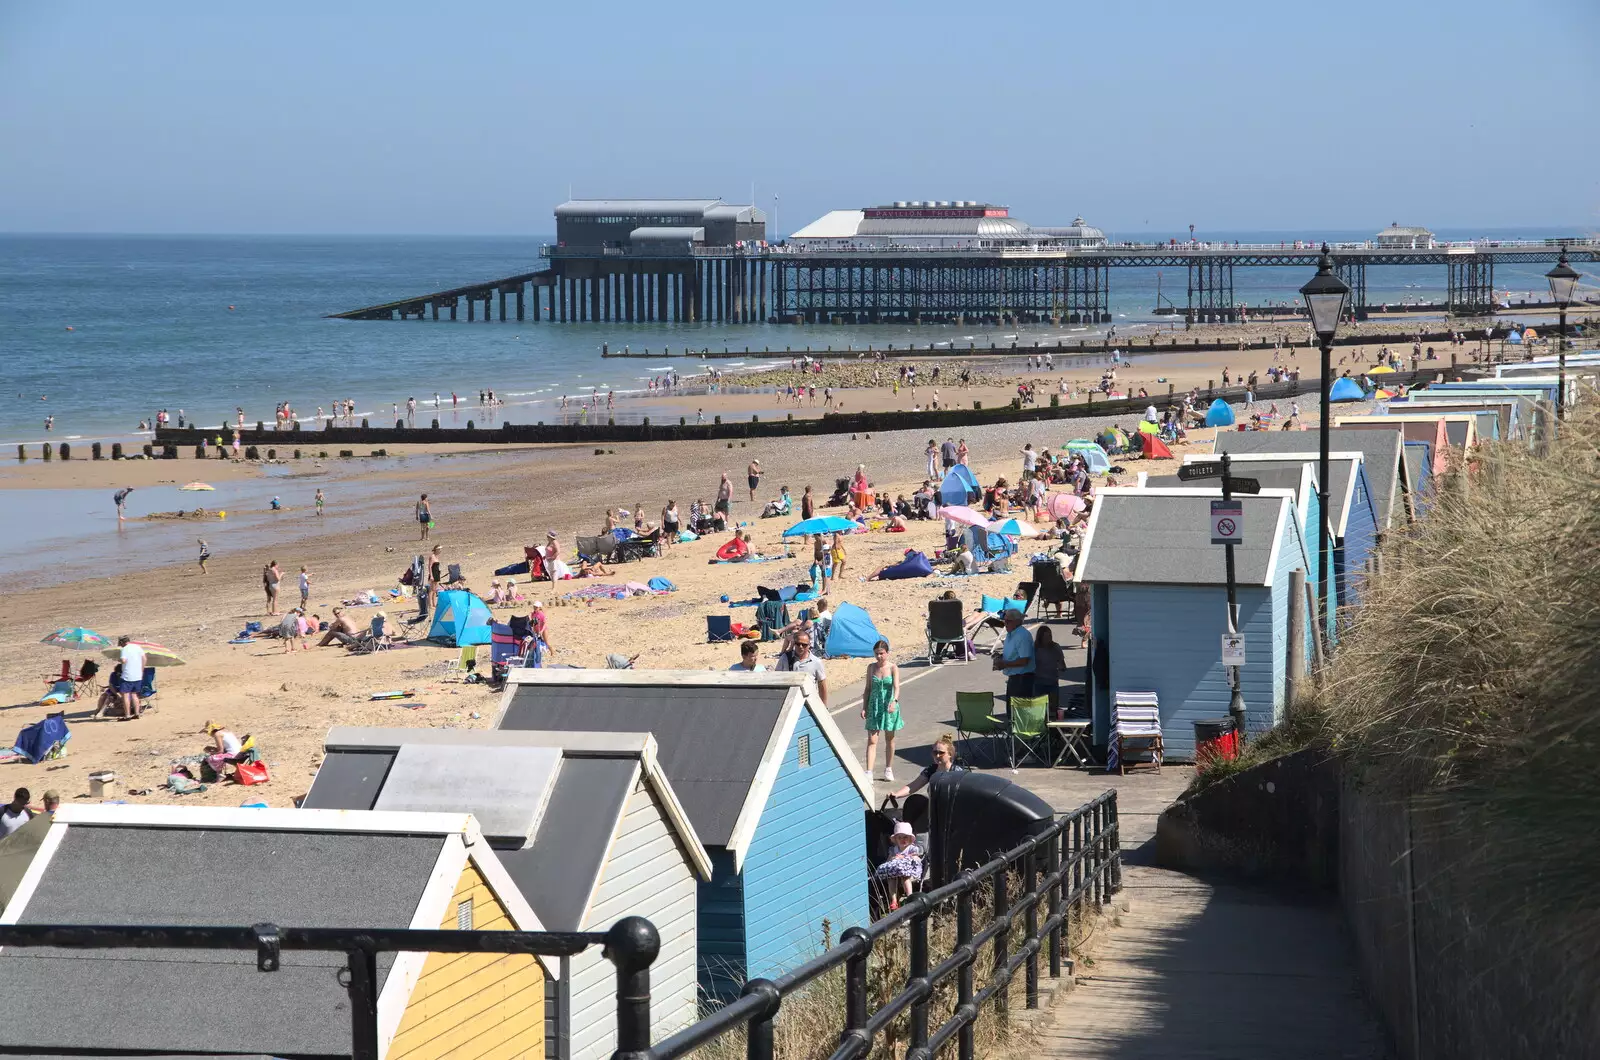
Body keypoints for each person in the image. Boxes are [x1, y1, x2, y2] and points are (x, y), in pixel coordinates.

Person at [861, 640, 903, 782]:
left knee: (889, 738)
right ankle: (869, 772)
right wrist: (864, 706)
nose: (879, 657)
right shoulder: (871, 668)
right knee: (872, 739)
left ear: (887, 653)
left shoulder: (893, 667)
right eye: (876, 654)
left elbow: (896, 687)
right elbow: (867, 688)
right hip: (874, 705)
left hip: (888, 705)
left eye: (881, 654)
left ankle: (888, 768)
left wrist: (894, 701)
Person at [890, 732, 963, 799]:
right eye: (935, 752)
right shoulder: (931, 770)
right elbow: (913, 786)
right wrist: (896, 795)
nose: (937, 755)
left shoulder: (957, 772)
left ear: (950, 754)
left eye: (941, 753)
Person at [993, 609, 1035, 706]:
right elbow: (1014, 654)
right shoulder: (1011, 634)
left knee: (1018, 713)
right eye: (1005, 621)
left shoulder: (1022, 636)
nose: (1005, 624)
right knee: (1012, 712)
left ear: (1017, 622)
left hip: (1022, 680)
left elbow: (1024, 661)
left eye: (1008, 621)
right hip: (1015, 678)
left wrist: (1005, 664)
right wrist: (1000, 657)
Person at [874, 821, 923, 903]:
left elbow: (916, 858)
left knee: (905, 877)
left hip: (910, 872)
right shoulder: (893, 850)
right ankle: (893, 900)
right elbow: (888, 861)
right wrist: (893, 858)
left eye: (905, 837)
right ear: (896, 839)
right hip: (896, 872)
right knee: (891, 878)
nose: (902, 840)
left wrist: (904, 857)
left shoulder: (912, 848)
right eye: (899, 838)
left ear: (910, 839)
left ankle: (909, 897)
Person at [776, 629, 828, 704]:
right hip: (789, 702)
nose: (801, 647)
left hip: (810, 702)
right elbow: (777, 678)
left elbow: (822, 685)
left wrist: (824, 706)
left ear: (809, 645)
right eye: (798, 644)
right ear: (794, 644)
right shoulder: (785, 658)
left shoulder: (816, 662)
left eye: (804, 645)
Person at [1033, 625, 1067, 711]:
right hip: (1038, 682)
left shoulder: (1055, 647)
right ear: (1040, 637)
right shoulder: (1035, 648)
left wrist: (1061, 667)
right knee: (1039, 709)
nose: (1048, 639)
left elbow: (1063, 666)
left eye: (1050, 636)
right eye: (1046, 637)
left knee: (1053, 709)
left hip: (1052, 682)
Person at [116, 635, 145, 719]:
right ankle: (136, 713)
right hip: (138, 675)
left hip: (127, 676)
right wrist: (141, 670)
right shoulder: (138, 647)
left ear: (122, 642)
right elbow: (144, 659)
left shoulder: (124, 649)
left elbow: (124, 660)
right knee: (134, 694)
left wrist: (119, 660)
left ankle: (127, 715)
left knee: (125, 695)